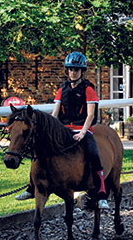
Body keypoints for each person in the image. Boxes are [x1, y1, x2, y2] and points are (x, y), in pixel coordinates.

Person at [15, 52, 110, 209]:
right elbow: (55, 113)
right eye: (71, 69)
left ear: (82, 71)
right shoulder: (62, 89)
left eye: (76, 70)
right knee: (39, 149)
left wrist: (83, 132)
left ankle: (100, 193)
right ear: (67, 70)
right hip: (63, 129)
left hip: (82, 129)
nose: (73, 72)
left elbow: (91, 114)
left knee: (94, 153)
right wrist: (49, 130)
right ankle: (32, 187)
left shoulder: (88, 90)